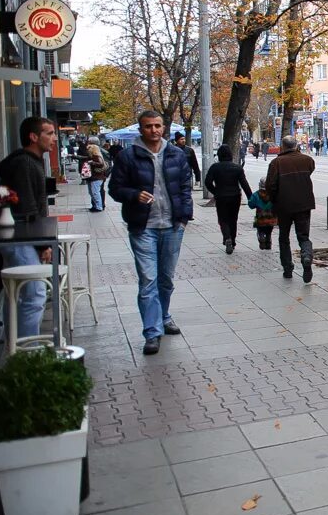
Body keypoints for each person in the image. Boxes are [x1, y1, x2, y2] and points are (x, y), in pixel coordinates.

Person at [108, 110, 194, 355]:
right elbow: (115, 188)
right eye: (148, 126)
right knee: (148, 280)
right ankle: (152, 332)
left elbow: (185, 186)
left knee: (165, 279)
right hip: (143, 227)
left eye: (157, 126)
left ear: (164, 127)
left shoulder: (176, 154)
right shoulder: (128, 156)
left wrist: (184, 218)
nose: (154, 130)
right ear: (141, 129)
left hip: (172, 226)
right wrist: (134, 195)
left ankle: (164, 316)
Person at [0, 117, 56, 341]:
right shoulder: (25, 163)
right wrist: (43, 243)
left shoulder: (30, 161)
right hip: (21, 236)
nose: (54, 138)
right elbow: (28, 206)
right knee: (34, 292)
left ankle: (16, 345)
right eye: (49, 133)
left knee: (19, 294)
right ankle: (27, 351)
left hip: (20, 235)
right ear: (33, 136)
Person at [266, 134, 316, 283]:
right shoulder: (307, 160)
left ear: (283, 146)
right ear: (296, 146)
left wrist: (273, 201)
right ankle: (306, 256)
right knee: (303, 236)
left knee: (284, 237)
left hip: (284, 205)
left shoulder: (276, 163)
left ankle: (287, 268)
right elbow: (310, 170)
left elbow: (270, 186)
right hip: (304, 204)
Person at [203, 145, 252, 254]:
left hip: (221, 197)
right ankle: (233, 241)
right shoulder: (237, 168)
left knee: (223, 219)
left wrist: (215, 192)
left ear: (219, 155)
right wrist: (250, 198)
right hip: (235, 196)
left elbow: (207, 182)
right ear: (230, 155)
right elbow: (244, 184)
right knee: (233, 219)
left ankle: (227, 238)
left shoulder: (215, 167)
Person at [248, 178, 277, 249]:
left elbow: (251, 204)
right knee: (269, 231)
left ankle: (261, 238)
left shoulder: (256, 195)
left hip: (260, 216)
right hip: (271, 216)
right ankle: (268, 241)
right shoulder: (273, 194)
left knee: (260, 230)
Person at [85, 136, 109, 212]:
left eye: (89, 143)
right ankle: (96, 205)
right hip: (95, 175)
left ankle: (99, 206)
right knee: (94, 191)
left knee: (97, 191)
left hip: (99, 175)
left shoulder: (99, 153)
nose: (87, 145)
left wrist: (105, 174)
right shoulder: (92, 153)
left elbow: (103, 163)